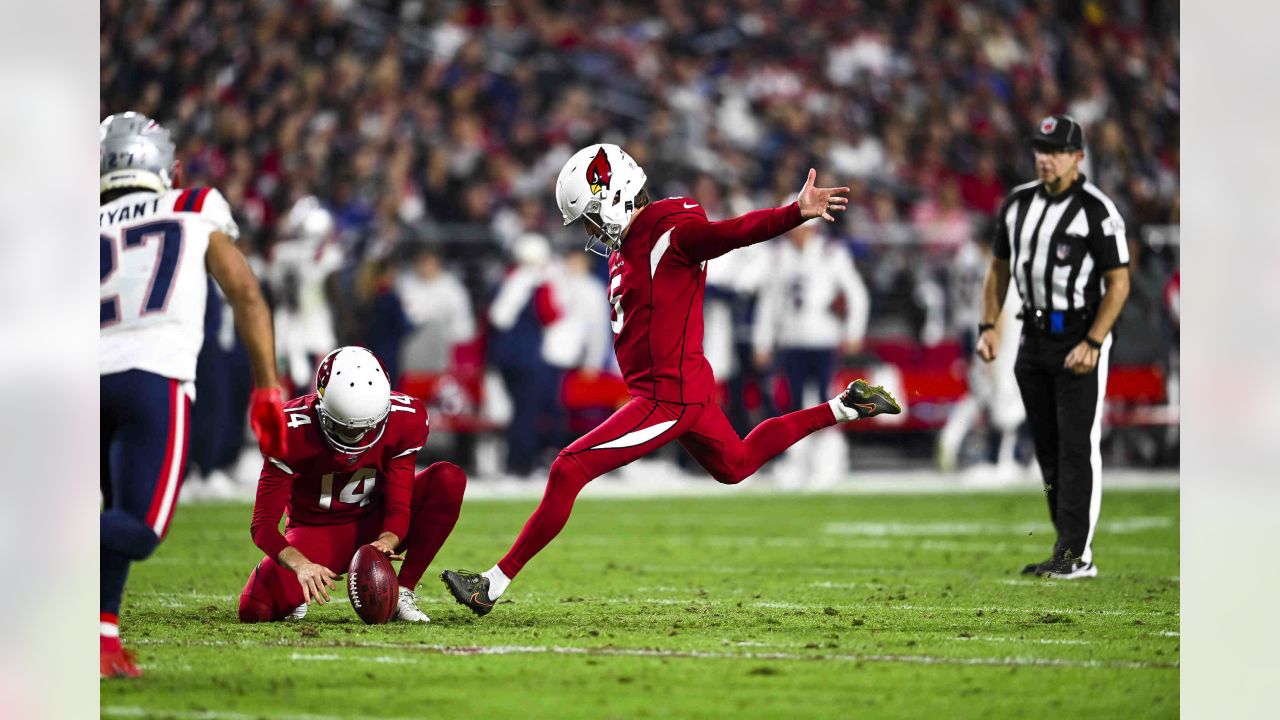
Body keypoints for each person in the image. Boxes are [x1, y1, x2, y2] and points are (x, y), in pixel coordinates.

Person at [442, 144, 901, 615]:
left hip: (668, 396)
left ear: (615, 198)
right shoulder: (630, 244)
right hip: (682, 388)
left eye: (592, 218)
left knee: (567, 468)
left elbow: (732, 233)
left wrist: (793, 214)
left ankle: (492, 584)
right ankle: (844, 406)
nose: (591, 232)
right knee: (736, 464)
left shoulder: (670, 232)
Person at [100, 112, 288, 677]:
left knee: (112, 516)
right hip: (152, 375)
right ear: (165, 165)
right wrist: (267, 387)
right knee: (139, 526)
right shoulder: (193, 203)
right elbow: (247, 293)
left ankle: (101, 634)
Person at [976, 115, 1131, 579]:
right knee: (1047, 448)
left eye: (1056, 151)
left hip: (1077, 336)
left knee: (1076, 446)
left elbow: (1118, 283)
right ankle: (1064, 548)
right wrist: (989, 324)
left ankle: (1077, 555)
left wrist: (1093, 340)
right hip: (1032, 335)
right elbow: (998, 268)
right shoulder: (1018, 203)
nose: (1045, 159)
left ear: (1078, 156)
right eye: (1040, 150)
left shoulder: (1097, 210)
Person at [237, 346, 468, 624]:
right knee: (255, 608)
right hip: (316, 532)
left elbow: (398, 505)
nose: (356, 438)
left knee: (448, 479)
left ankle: (402, 591)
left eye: (364, 428)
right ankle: (298, 593)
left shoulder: (404, 418)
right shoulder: (290, 428)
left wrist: (387, 539)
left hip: (374, 519)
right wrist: (302, 565)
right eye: (346, 428)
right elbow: (262, 525)